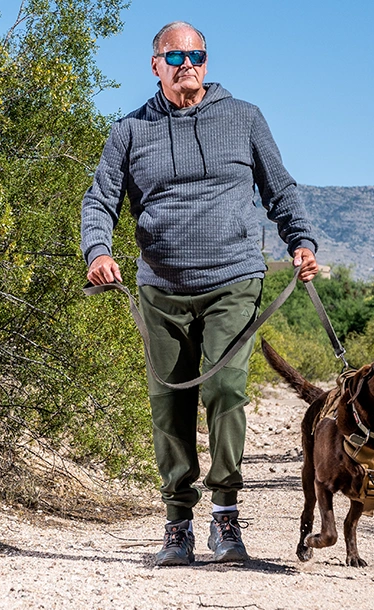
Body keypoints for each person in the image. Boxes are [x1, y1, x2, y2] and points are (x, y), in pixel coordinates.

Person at [80, 21, 319, 566]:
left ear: (207, 63)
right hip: (160, 288)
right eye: (176, 55)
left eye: (198, 55)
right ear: (156, 64)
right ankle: (177, 523)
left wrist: (300, 242)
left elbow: (280, 189)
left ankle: (226, 515)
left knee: (226, 390)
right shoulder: (129, 131)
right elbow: (100, 201)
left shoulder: (244, 118)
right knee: (169, 406)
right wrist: (98, 252)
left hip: (233, 278)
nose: (188, 63)